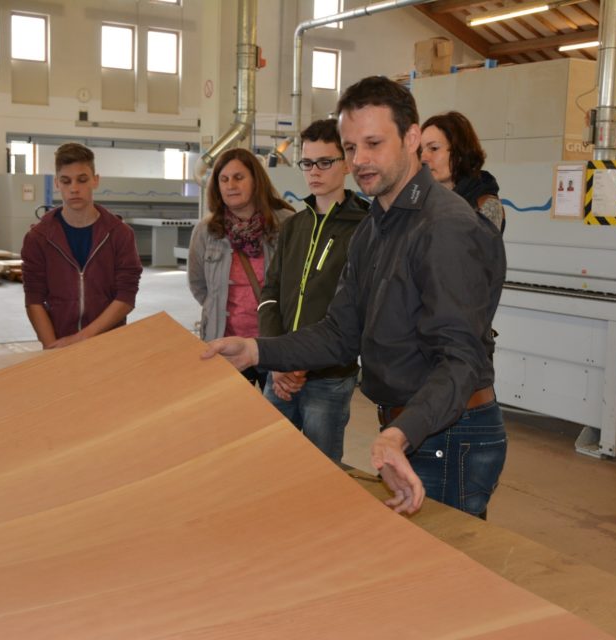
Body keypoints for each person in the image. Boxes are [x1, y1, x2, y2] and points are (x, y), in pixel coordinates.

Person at [202, 76, 507, 518]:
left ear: (412, 138)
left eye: (373, 143)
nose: (359, 159)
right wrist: (256, 350)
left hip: (449, 435)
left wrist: (402, 433)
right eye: (350, 147)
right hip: (410, 429)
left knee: (441, 560)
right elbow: (340, 333)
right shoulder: (374, 228)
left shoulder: (445, 228)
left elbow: (461, 360)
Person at [257, 118, 369, 462]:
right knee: (269, 462)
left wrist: (301, 361)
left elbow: (355, 309)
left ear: (347, 163)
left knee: (322, 470)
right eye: (307, 163)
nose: (314, 172)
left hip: (328, 376)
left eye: (324, 162)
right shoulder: (294, 225)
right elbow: (270, 292)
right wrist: (277, 357)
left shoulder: (365, 229)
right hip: (280, 372)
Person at [188, 148, 293, 391]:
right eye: (223, 179)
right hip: (226, 344)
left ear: (256, 181)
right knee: (230, 412)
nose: (231, 186)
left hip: (273, 345)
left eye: (238, 177)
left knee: (277, 412)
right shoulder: (206, 231)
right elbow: (198, 285)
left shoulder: (285, 223)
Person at [21, 143, 142, 349]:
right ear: (57, 183)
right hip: (58, 342)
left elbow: (126, 296)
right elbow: (34, 298)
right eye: (66, 181)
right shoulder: (38, 238)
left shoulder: (120, 234)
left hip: (108, 343)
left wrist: (82, 338)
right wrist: (52, 347)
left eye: (82, 179)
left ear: (95, 180)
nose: (74, 188)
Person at [420, 111, 505, 232]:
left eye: (434, 148)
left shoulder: (486, 205)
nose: (423, 158)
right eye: (421, 151)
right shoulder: (421, 199)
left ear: (459, 153)